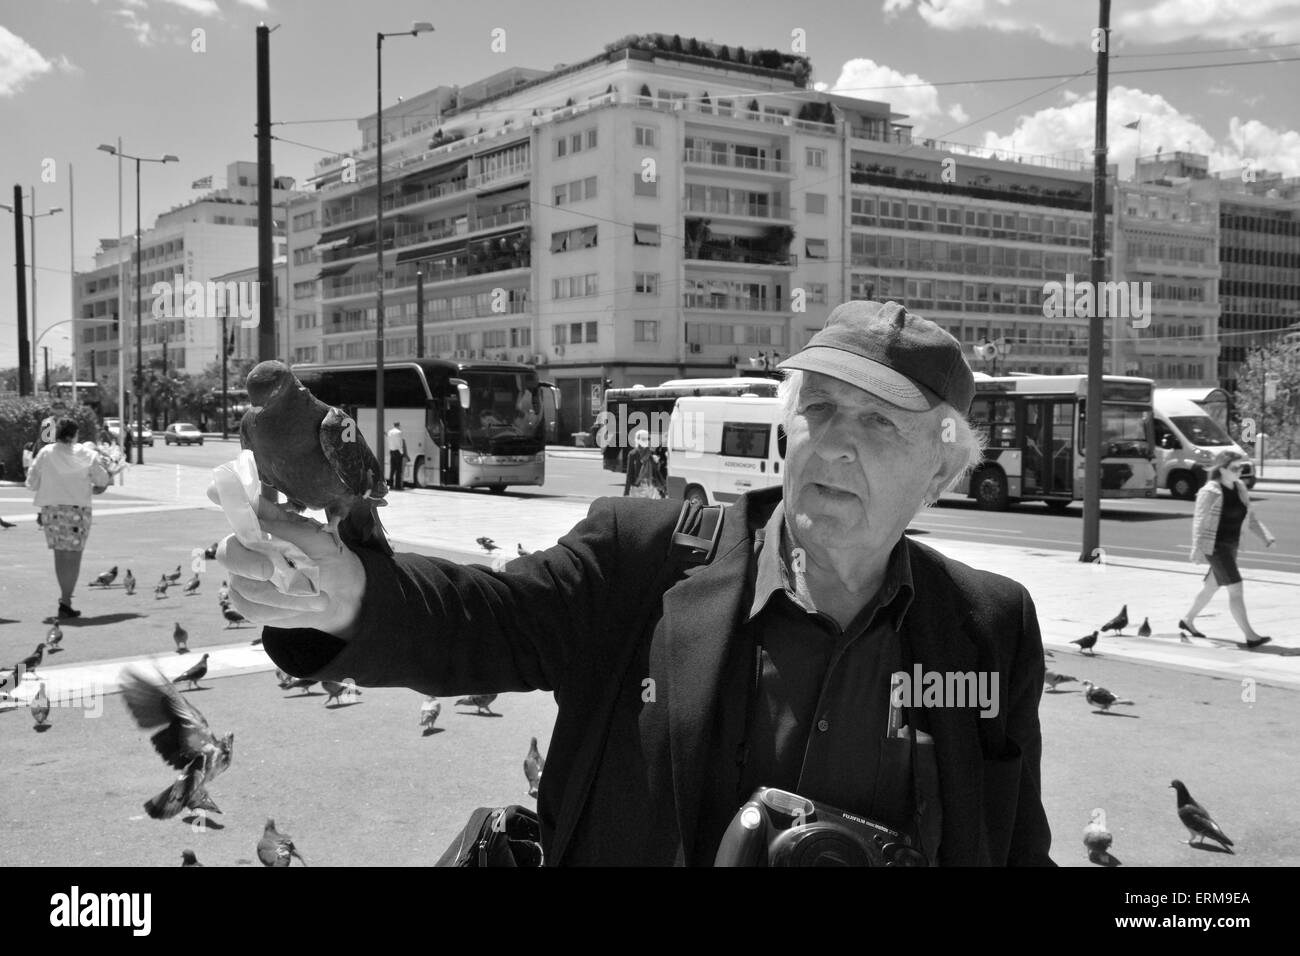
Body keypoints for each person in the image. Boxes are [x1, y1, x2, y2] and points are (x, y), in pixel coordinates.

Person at [217, 300, 1053, 866]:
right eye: (820, 409)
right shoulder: (642, 560)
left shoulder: (986, 626)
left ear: (944, 466)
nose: (834, 444)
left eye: (877, 422)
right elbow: (486, 620)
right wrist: (349, 594)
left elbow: (1014, 847)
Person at [1179, 449, 1276, 647]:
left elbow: (1250, 517)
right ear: (1222, 469)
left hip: (1231, 545)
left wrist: (1265, 536)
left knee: (1211, 587)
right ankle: (1251, 636)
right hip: (1215, 546)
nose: (1239, 471)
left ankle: (1187, 621)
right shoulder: (1210, 491)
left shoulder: (1239, 488)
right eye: (1235, 468)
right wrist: (1197, 549)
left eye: (1241, 467)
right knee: (1236, 588)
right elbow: (1200, 521)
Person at [25, 418, 111, 620]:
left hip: (52, 510)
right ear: (74, 434)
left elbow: (31, 482)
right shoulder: (87, 454)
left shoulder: (46, 453)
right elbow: (102, 479)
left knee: (60, 555)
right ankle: (66, 601)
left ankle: (65, 600)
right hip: (77, 510)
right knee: (74, 556)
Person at [623, 429, 665, 499]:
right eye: (644, 439)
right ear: (638, 440)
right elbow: (629, 474)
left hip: (647, 488)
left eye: (648, 439)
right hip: (641, 488)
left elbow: (655, 472)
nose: (647, 441)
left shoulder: (650, 454)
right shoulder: (634, 454)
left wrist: (626, 492)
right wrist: (626, 492)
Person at [386, 422, 406, 492]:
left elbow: (388, 441)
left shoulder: (389, 432)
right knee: (398, 470)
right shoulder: (399, 432)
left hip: (391, 451)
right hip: (397, 452)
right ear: (398, 425)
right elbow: (399, 443)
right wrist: (402, 453)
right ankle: (398, 486)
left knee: (392, 469)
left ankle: (391, 485)